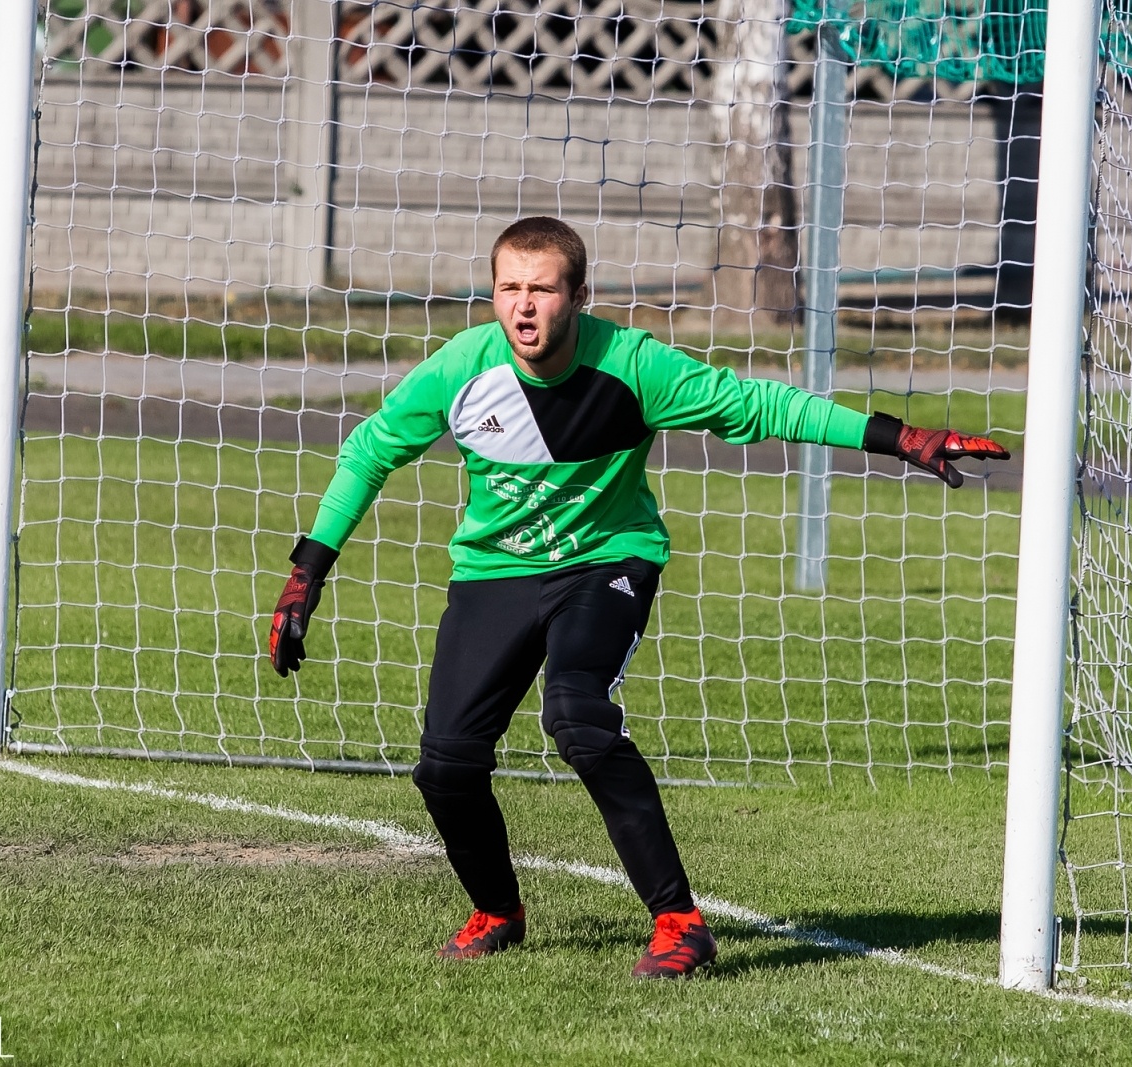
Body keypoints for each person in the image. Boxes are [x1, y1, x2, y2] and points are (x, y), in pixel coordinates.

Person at [267, 216, 1009, 978]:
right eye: (509, 288)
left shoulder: (633, 366)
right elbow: (369, 451)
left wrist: (903, 439)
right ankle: (497, 909)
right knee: (446, 764)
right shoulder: (463, 368)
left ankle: (679, 921)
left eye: (543, 289)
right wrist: (308, 574)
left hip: (607, 561)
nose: (524, 306)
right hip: (495, 570)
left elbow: (761, 406)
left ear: (579, 296)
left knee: (578, 718)